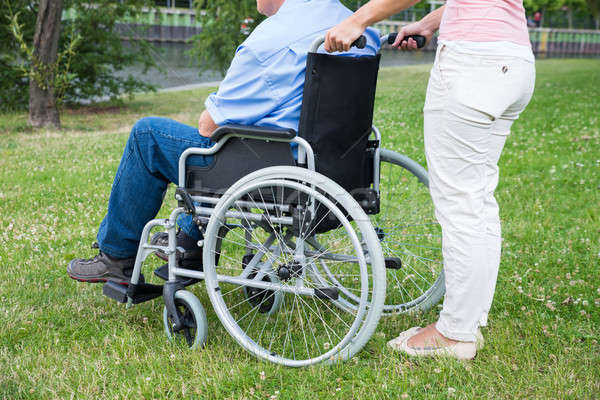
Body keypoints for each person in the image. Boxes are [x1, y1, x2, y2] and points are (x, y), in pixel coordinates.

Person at [67, 0, 379, 284]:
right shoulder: (357, 28)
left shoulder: (271, 41)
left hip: (275, 171)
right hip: (337, 169)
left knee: (149, 135)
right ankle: (190, 241)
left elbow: (208, 125)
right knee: (239, 138)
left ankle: (117, 256)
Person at [325, 0, 535, 359]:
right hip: (512, 58)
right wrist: (430, 22)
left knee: (461, 204)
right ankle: (468, 322)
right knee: (478, 197)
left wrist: (358, 19)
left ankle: (455, 334)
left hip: (473, 65)